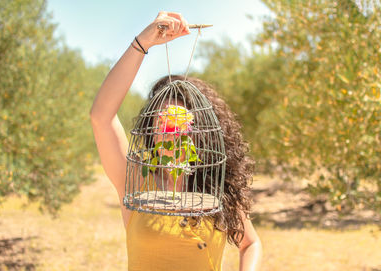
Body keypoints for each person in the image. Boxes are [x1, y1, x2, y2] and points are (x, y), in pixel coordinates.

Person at [89, 11, 262, 271]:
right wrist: (142, 44)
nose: (170, 133)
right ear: (151, 131)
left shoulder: (214, 188)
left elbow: (251, 244)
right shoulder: (135, 181)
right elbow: (101, 117)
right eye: (163, 123)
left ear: (199, 131)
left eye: (180, 123)